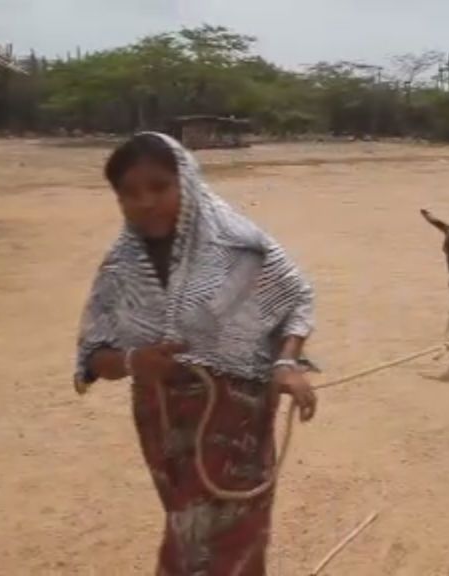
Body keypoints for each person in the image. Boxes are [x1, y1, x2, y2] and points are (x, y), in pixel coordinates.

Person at [73, 132, 317, 575]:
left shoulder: (241, 245)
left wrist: (286, 363)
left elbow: (295, 299)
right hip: (162, 421)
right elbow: (94, 353)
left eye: (159, 187)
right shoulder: (119, 268)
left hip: (238, 418)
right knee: (187, 524)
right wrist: (133, 362)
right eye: (129, 193)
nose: (145, 202)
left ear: (187, 181)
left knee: (225, 532)